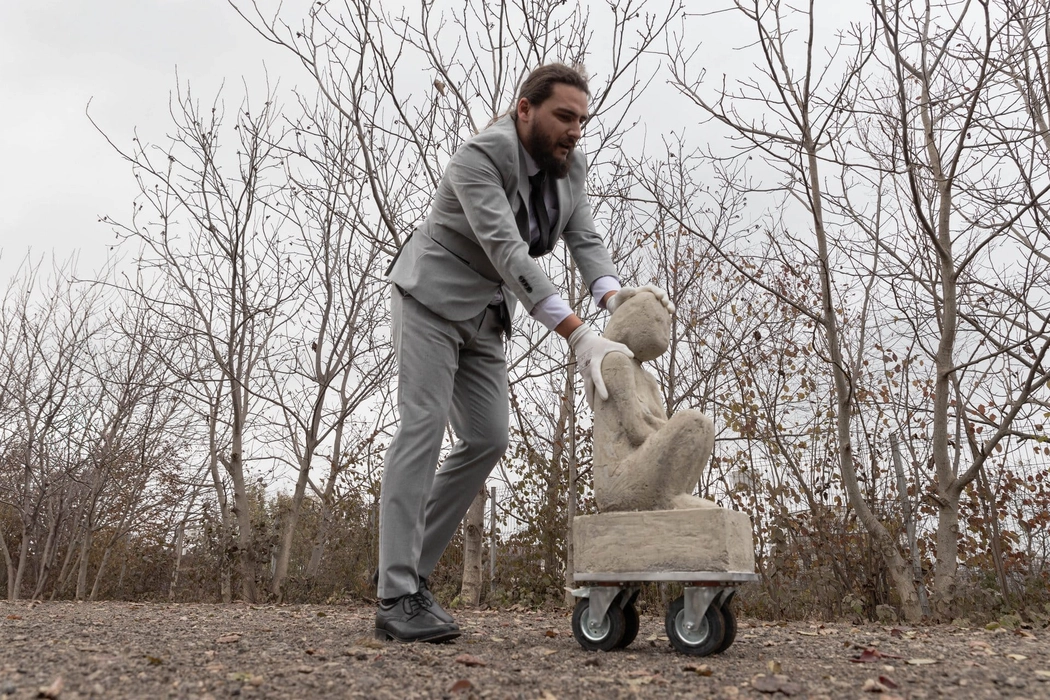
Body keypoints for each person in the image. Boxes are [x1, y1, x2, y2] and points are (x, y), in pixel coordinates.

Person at [376, 63, 674, 643]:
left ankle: (409, 569)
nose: (574, 130)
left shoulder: (570, 167)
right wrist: (577, 333)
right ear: (524, 110)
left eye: (581, 120)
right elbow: (508, 252)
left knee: (487, 438)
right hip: (430, 299)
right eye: (563, 116)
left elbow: (585, 239)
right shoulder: (478, 158)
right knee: (423, 427)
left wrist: (617, 299)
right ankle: (396, 594)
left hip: (487, 315)